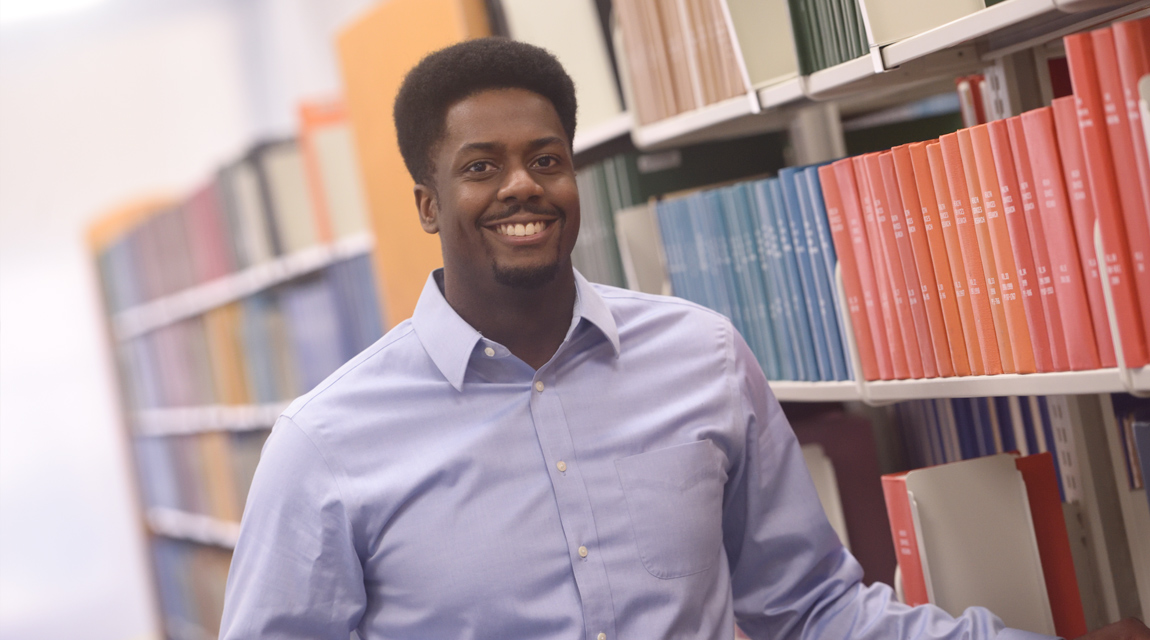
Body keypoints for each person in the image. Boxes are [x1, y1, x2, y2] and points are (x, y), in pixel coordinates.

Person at [218, 37, 1149, 640]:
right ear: (427, 203)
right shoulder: (326, 443)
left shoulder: (701, 356)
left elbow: (812, 606)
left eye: (546, 159)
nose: (521, 187)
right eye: (479, 167)